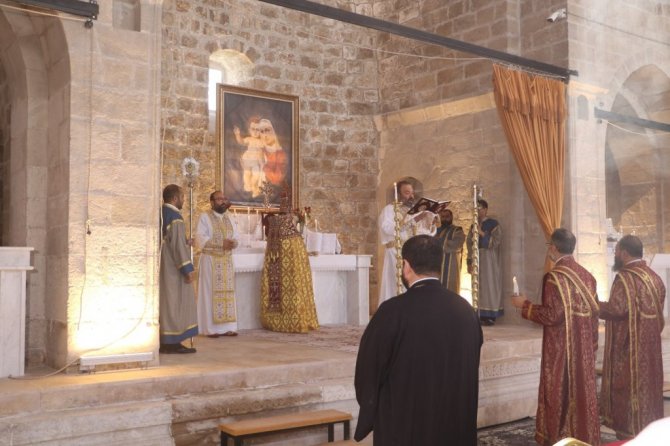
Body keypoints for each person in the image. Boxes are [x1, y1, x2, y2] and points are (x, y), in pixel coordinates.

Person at [355, 235, 482, 445]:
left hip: (407, 429)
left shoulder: (392, 311)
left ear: (406, 266)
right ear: (439, 266)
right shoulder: (466, 310)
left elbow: (368, 371)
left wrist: (371, 409)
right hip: (455, 426)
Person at [511, 228, 600, 446]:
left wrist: (524, 305)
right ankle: (583, 438)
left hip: (561, 350)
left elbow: (552, 315)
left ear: (554, 247)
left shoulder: (554, 278)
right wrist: (591, 346)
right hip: (583, 349)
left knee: (559, 394)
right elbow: (594, 314)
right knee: (581, 394)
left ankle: (560, 438)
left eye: (549, 245)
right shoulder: (588, 276)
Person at [599, 235, 666, 440]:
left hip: (629, 351)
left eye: (617, 251)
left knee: (628, 393)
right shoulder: (655, 278)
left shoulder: (625, 278)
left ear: (625, 253)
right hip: (651, 350)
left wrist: (594, 304)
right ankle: (651, 435)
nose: (616, 255)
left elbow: (616, 309)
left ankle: (629, 436)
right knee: (650, 391)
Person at [260, 185, 318, 333]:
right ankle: (297, 318)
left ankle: (285, 319)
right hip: (288, 263)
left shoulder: (278, 224)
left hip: (281, 262)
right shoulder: (288, 227)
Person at [378, 180, 437, 307]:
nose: (411, 196)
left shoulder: (415, 212)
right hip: (395, 252)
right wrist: (413, 221)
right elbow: (387, 229)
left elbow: (423, 233)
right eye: (406, 193)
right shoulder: (389, 210)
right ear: (398, 194)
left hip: (413, 253)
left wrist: (430, 224)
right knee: (395, 285)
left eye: (412, 193)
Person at [159, 184, 198, 354]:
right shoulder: (175, 217)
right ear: (175, 198)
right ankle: (172, 342)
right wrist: (187, 269)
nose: (183, 200)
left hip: (164, 262)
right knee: (175, 302)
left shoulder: (162, 212)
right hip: (173, 268)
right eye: (182, 197)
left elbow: (170, 240)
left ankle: (166, 340)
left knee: (167, 302)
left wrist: (185, 241)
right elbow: (177, 247)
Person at [195, 191, 240, 338]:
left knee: (228, 294)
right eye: (219, 199)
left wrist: (234, 242)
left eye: (224, 199)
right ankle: (210, 328)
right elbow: (200, 238)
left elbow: (236, 235)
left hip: (226, 261)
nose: (223, 201)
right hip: (211, 261)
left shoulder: (230, 217)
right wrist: (221, 243)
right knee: (210, 294)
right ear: (212, 202)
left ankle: (228, 327)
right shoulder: (205, 217)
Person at [467, 199, 502, 325]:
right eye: (476, 209)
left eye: (480, 208)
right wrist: (469, 261)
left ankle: (490, 315)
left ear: (486, 209)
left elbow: (496, 241)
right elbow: (469, 243)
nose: (478, 211)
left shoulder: (493, 224)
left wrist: (482, 233)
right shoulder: (473, 225)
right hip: (476, 256)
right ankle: (479, 313)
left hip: (488, 257)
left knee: (489, 284)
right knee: (477, 285)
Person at [434, 207, 465, 294]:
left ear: (451, 217)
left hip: (451, 264)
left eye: (447, 216)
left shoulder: (457, 230)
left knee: (450, 290)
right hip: (437, 265)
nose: (445, 219)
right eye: (443, 217)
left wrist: (438, 241)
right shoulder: (436, 231)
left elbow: (457, 244)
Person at [234, 117, 265, 197]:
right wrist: (237, 134)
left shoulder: (261, 141)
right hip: (247, 159)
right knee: (247, 173)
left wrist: (262, 161)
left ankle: (253, 186)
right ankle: (247, 186)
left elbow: (263, 151)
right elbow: (241, 141)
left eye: (257, 129)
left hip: (256, 161)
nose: (255, 131)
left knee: (256, 174)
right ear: (249, 130)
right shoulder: (249, 139)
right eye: (253, 129)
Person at [259, 118, 287, 186]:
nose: (265, 134)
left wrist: (264, 167)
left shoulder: (280, 153)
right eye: (262, 131)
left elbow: (276, 178)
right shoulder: (261, 150)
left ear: (274, 131)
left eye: (267, 130)